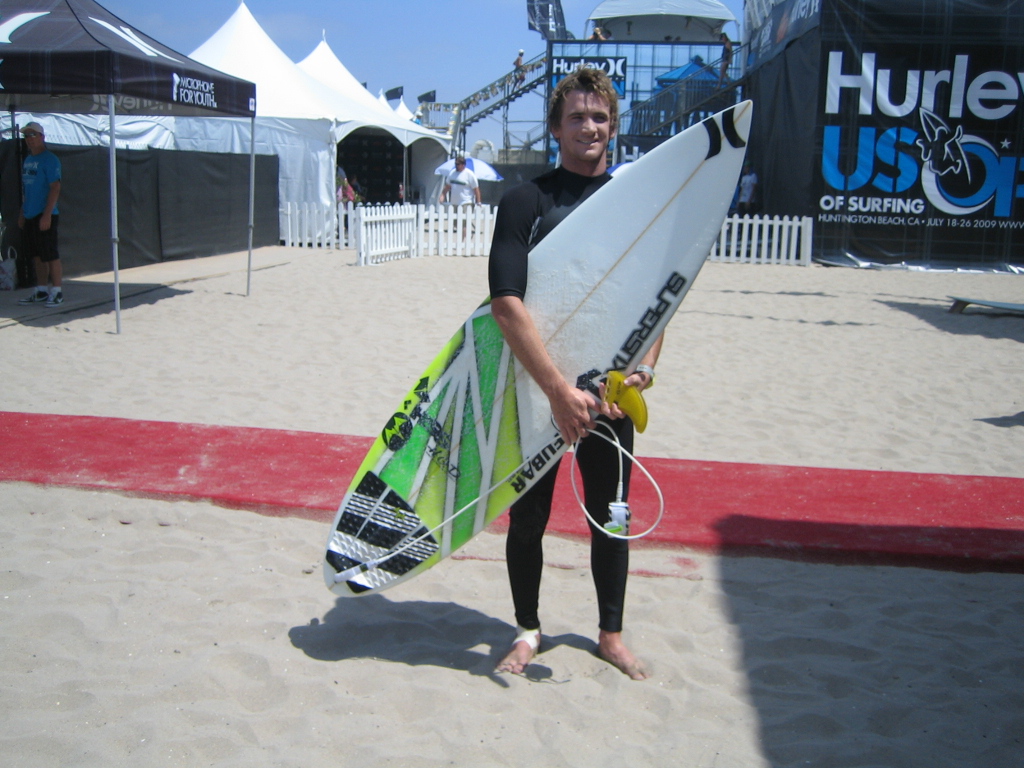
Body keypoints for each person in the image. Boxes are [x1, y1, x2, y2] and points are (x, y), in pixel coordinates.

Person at [488, 68, 662, 681]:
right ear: (556, 129)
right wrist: (557, 392)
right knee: (528, 519)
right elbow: (506, 305)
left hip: (606, 398)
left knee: (612, 515)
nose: (590, 127)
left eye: (600, 117)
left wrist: (644, 370)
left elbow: (657, 301)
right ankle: (527, 629)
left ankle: (610, 635)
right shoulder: (525, 202)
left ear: (613, 127)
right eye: (577, 117)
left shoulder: (634, 206)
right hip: (537, 392)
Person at [17, 121, 63, 307]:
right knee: (36, 255)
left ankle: (57, 291)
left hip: (44, 214)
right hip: (30, 214)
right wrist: (23, 212)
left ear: (42, 137)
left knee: (50, 254)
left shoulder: (50, 159)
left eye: (33, 135)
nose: (29, 139)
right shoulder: (28, 160)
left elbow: (55, 187)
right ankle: (41, 290)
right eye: (26, 136)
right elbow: (28, 189)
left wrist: (47, 214)